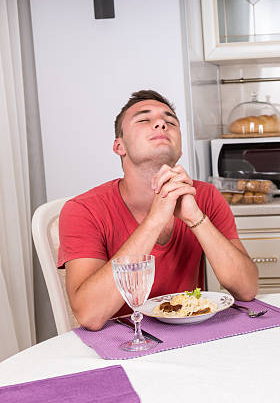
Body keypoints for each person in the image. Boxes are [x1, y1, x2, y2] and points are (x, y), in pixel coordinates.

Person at [58, 90, 259, 331]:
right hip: (121, 345)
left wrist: (196, 218)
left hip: (192, 338)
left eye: (171, 121)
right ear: (119, 146)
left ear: (180, 149)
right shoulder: (83, 210)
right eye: (144, 119)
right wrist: (154, 220)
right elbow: (89, 315)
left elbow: (246, 289)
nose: (161, 123)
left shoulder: (204, 197)